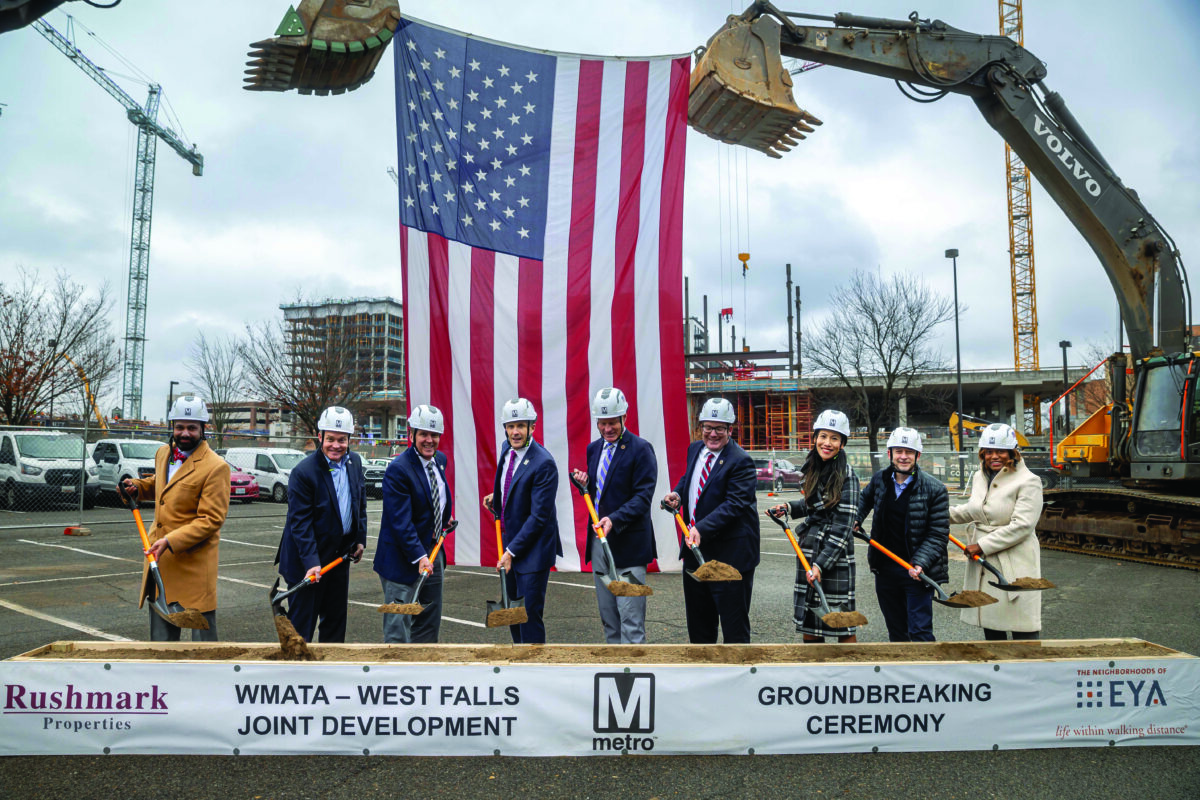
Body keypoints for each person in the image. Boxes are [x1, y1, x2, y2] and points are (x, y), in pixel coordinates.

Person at [122, 395, 230, 641]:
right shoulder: (163, 453)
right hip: (161, 561)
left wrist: (170, 541)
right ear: (172, 427)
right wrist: (137, 488)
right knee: (161, 644)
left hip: (193, 563)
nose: (185, 433)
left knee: (202, 645)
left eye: (192, 428)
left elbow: (210, 519)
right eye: (179, 427)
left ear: (203, 429)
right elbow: (163, 486)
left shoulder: (216, 467)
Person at [662, 397, 759, 644]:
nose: (712, 434)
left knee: (733, 628)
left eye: (719, 428)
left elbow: (735, 504)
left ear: (730, 429)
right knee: (699, 627)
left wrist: (700, 528)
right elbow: (691, 480)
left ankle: (736, 678)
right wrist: (677, 494)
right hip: (696, 552)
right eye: (707, 427)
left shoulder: (741, 461)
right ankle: (703, 676)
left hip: (730, 556)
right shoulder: (695, 449)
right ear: (700, 426)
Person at [569, 387, 658, 644]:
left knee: (631, 620)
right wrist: (584, 484)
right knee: (609, 620)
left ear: (624, 418)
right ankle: (613, 672)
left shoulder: (641, 449)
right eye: (603, 423)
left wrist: (614, 519)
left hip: (628, 546)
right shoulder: (593, 449)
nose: (608, 429)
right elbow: (601, 490)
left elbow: (643, 497)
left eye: (612, 423)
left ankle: (634, 676)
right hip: (600, 544)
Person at [275, 406, 367, 643]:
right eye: (331, 439)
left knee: (335, 625)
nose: (336, 445)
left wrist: (359, 539)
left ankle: (331, 674)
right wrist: (312, 563)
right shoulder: (304, 473)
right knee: (301, 629)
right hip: (307, 563)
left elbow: (360, 502)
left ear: (349, 439)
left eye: (342, 440)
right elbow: (300, 524)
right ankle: (298, 676)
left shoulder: (354, 462)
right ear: (320, 438)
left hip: (339, 558)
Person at [772, 409, 860, 644]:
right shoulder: (814, 469)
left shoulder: (848, 476)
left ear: (842, 443)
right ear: (815, 438)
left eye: (834, 438)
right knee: (810, 622)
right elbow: (815, 505)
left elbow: (843, 529)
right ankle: (814, 675)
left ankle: (849, 671)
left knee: (843, 624)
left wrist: (821, 565)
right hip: (809, 551)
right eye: (823, 436)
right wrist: (789, 508)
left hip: (835, 558)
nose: (827, 443)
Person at [950, 422, 1044, 640]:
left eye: (1000, 451)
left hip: (1015, 561)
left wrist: (982, 546)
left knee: (1023, 629)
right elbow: (976, 511)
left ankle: (1029, 671)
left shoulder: (1029, 481)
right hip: (985, 561)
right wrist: (936, 514)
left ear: (1012, 452)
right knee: (992, 627)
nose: (994, 456)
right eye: (989, 451)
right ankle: (997, 672)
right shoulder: (980, 477)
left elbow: (1022, 525)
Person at [855, 427, 949, 642]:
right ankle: (901, 674)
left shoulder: (935, 489)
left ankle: (924, 674)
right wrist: (856, 519)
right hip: (885, 568)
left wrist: (920, 562)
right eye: (898, 451)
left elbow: (938, 534)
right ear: (890, 454)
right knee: (897, 632)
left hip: (916, 571)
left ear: (918, 455)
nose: (903, 456)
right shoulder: (881, 479)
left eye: (909, 451)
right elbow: (864, 500)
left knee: (920, 632)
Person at [482, 398, 561, 644]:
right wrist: (500, 497)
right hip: (510, 546)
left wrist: (511, 552)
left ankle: (534, 670)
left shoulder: (543, 463)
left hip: (531, 551)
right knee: (513, 613)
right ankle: (519, 659)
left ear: (532, 427)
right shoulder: (507, 451)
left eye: (521, 426)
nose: (515, 432)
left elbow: (539, 517)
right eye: (510, 426)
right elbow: (516, 484)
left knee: (528, 616)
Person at [375, 404, 453, 643]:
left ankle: (425, 671)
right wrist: (420, 557)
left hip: (433, 551)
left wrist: (442, 518)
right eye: (423, 434)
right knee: (398, 627)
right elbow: (401, 521)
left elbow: (432, 498)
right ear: (412, 435)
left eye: (434, 435)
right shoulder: (398, 470)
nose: (429, 440)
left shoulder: (440, 460)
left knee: (429, 620)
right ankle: (397, 674)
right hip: (402, 558)